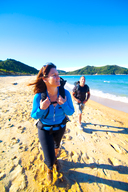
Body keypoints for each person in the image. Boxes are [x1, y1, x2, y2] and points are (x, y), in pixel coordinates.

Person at [29, 63, 74, 184]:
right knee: (48, 157)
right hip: (44, 129)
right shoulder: (39, 97)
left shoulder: (66, 94)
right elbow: (34, 115)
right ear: (45, 79)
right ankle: (49, 169)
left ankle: (55, 160)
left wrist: (64, 104)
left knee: (56, 147)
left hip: (60, 127)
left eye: (58, 74)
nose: (58, 77)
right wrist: (42, 108)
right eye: (54, 75)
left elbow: (70, 112)